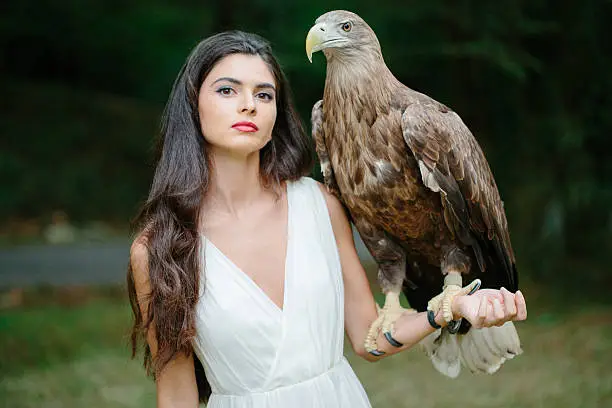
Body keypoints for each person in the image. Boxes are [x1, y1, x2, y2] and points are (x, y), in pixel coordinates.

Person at [127, 31, 527, 408]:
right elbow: (177, 392)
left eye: (263, 94)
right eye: (227, 90)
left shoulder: (318, 205)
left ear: (275, 115)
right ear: (193, 104)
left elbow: (369, 337)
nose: (248, 104)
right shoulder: (159, 249)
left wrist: (450, 309)